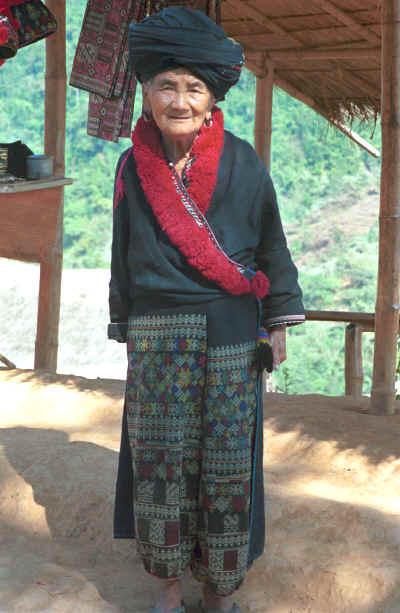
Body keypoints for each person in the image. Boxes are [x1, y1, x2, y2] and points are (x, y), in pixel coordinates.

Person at [108, 7, 305, 613]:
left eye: (194, 87)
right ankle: (167, 586)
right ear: (146, 91)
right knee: (160, 463)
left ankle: (219, 588)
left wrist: (277, 318)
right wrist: (123, 320)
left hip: (229, 330)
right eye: (166, 85)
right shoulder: (131, 170)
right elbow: (121, 249)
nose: (180, 100)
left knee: (225, 464)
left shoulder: (244, 164)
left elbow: (271, 243)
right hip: (159, 333)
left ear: (212, 97)